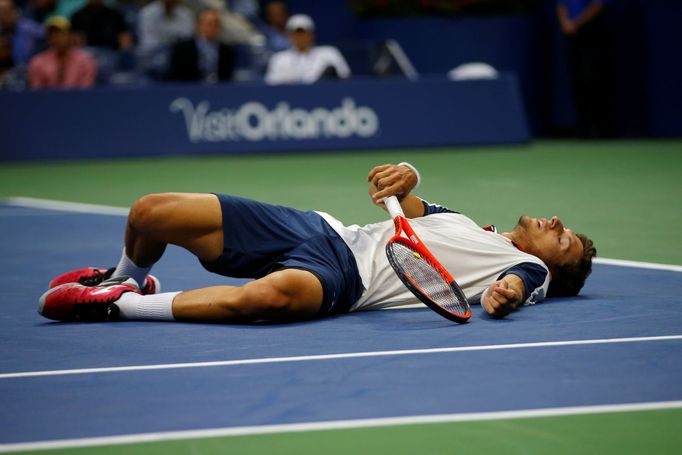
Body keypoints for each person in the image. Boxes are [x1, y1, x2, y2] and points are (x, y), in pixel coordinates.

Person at [39, 162, 597, 324]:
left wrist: (507, 293)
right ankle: (125, 276)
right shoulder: (470, 225)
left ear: (553, 267)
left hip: (344, 283)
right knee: (151, 212)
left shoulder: (528, 266)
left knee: (268, 299)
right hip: (323, 233)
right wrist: (407, 174)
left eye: (563, 238)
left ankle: (122, 306)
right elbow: (409, 200)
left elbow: (519, 285)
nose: (554, 222)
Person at [556, 0, 612, 138]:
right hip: (572, 37)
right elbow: (561, 5)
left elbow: (597, 5)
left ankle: (599, 127)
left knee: (594, 80)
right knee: (577, 81)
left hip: (592, 34)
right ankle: (585, 127)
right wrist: (565, 23)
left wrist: (576, 23)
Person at [264, 13, 350, 85]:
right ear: (289, 36)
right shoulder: (279, 59)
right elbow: (272, 87)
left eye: (303, 33)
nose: (300, 37)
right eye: (296, 34)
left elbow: (345, 78)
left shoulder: (329, 53)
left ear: (311, 34)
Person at [166, 8, 234, 83]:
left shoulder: (226, 50)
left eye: (213, 24)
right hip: (189, 90)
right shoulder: (182, 48)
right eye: (205, 23)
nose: (208, 28)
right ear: (197, 25)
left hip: (217, 90)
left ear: (218, 27)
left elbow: (228, 79)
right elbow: (175, 78)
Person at [27, 16, 96, 89]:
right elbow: (36, 94)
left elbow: (86, 92)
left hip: (78, 99)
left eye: (60, 33)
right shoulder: (38, 62)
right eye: (51, 34)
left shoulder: (85, 61)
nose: (55, 37)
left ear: (70, 35)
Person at [0, 0, 45, 65]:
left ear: (14, 11)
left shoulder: (29, 28)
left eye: (6, 12)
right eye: (1, 13)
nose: (4, 16)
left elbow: (47, 34)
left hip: (28, 68)